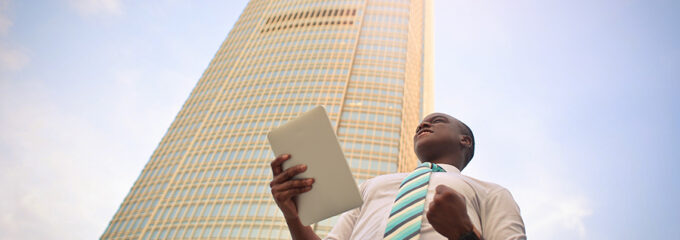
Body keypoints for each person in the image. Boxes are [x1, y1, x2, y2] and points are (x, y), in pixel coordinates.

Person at [269, 113, 526, 240]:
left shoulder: (492, 192)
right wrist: (293, 216)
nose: (422, 126)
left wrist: (464, 234)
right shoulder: (372, 186)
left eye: (436, 121)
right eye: (418, 127)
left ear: (465, 140)